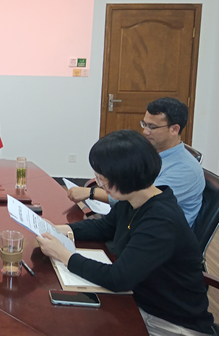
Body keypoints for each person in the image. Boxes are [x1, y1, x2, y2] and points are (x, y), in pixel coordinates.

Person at [37, 130, 214, 336]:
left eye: (103, 178)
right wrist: (59, 230)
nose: (99, 184)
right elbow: (105, 227)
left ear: (126, 177)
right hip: (137, 300)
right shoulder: (134, 199)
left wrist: (63, 255)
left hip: (170, 322)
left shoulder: (161, 220)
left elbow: (118, 279)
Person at [68, 97, 204, 227]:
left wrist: (91, 193)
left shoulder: (185, 169)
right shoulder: (149, 154)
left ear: (174, 129)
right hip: (132, 221)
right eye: (144, 124)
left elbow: (139, 199)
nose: (145, 131)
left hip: (158, 233)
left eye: (152, 127)